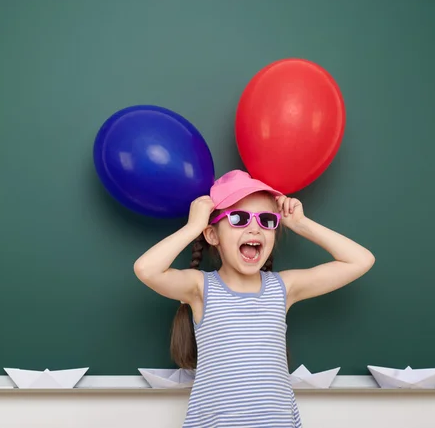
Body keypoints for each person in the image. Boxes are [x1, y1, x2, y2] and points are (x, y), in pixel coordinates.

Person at [133, 170, 375, 427]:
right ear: (212, 235)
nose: (254, 229)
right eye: (239, 218)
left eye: (267, 220)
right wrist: (193, 227)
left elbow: (360, 260)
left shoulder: (283, 288)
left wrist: (301, 224)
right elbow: (146, 269)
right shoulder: (200, 289)